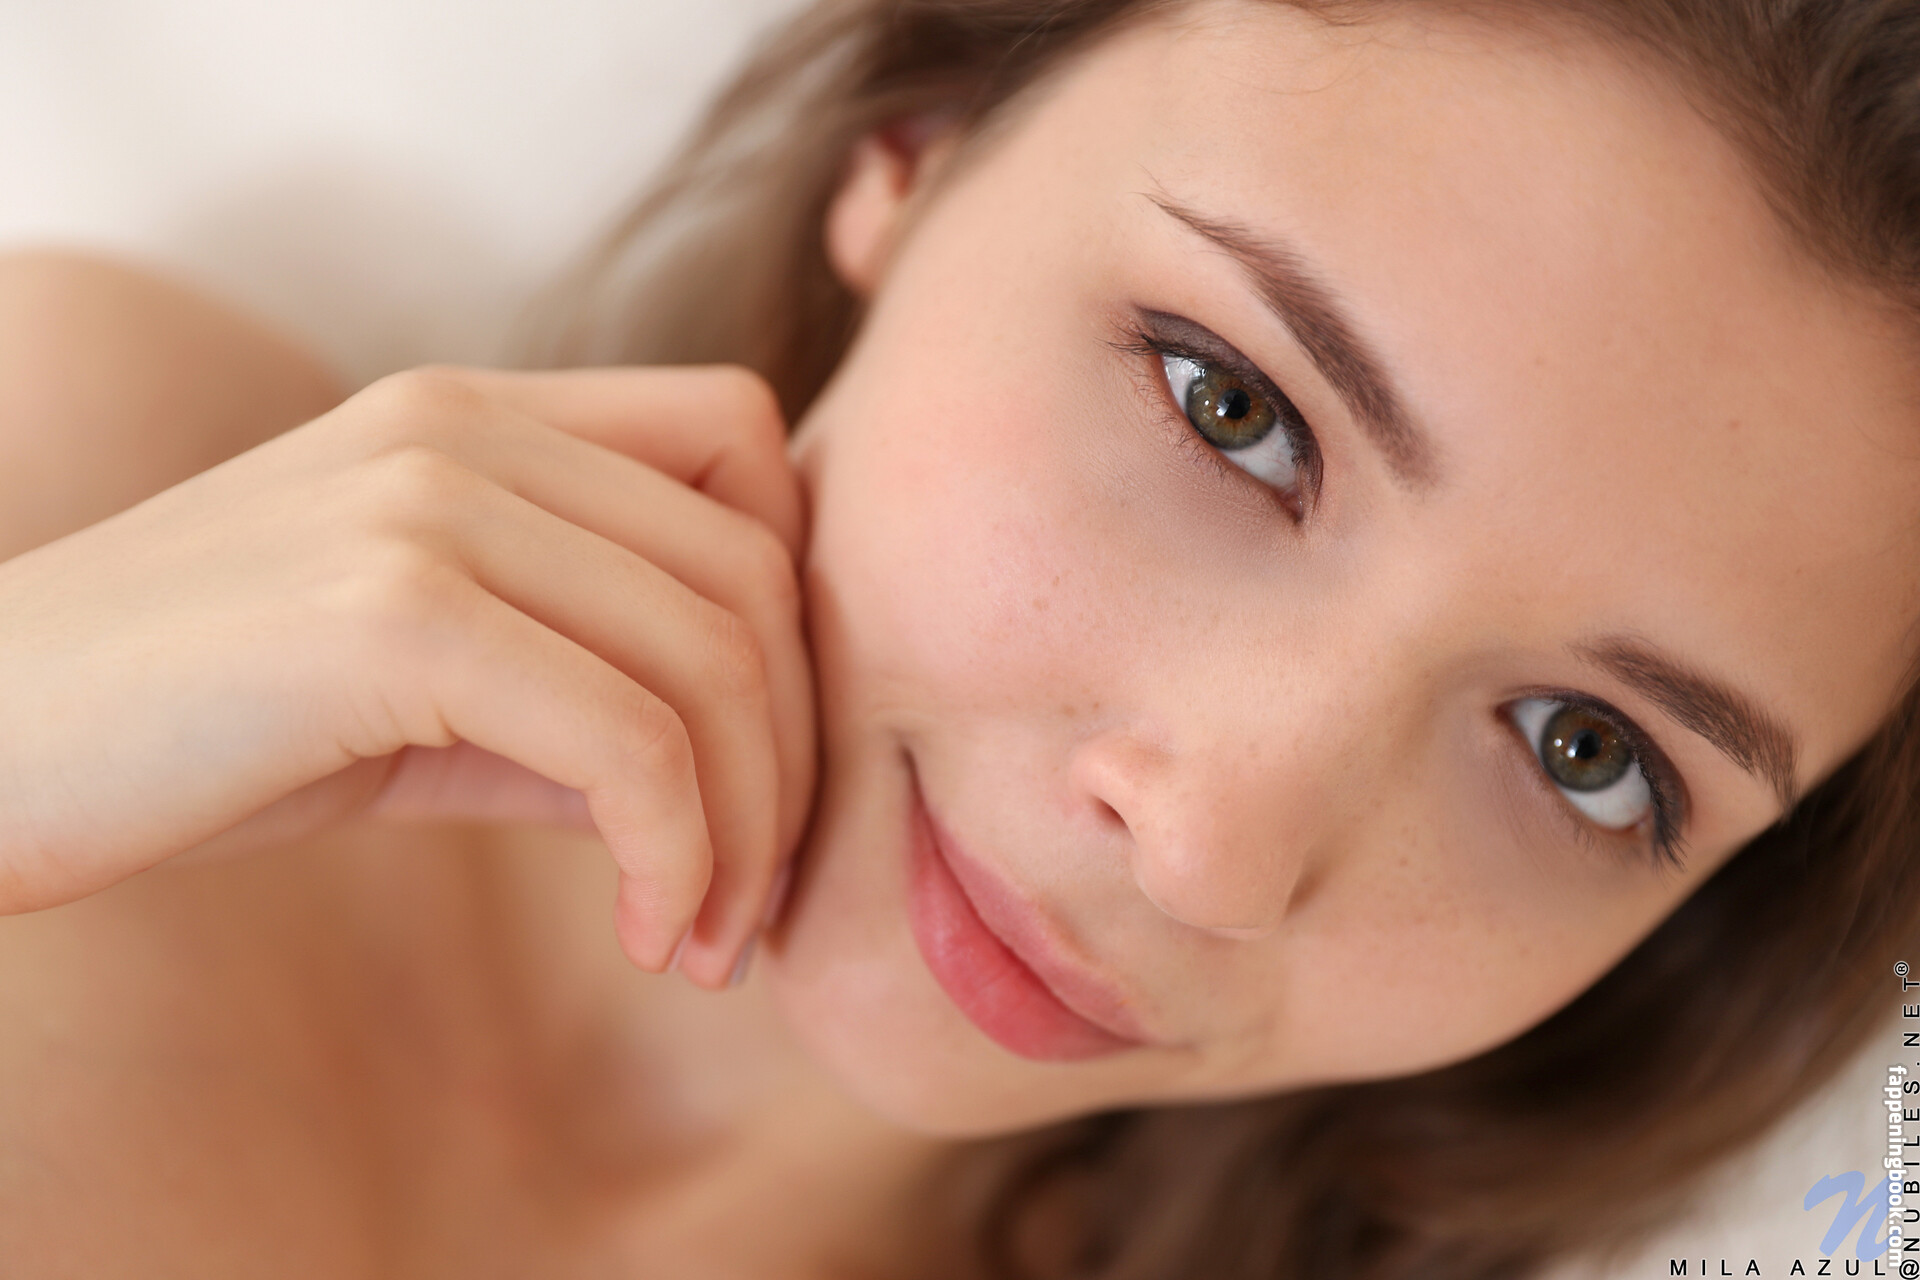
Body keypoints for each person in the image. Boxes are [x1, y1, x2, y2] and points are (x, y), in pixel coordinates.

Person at [1, 0, 1917, 1274]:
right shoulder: (78, 466)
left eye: (1588, 753)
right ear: (916, 144)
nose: (1209, 849)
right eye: (1233, 408)